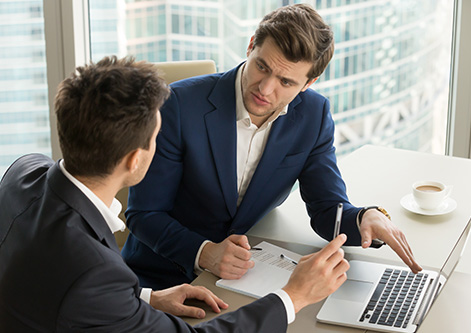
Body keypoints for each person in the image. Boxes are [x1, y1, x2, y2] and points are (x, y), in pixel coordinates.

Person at [0, 56, 350, 332]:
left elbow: (60, 287)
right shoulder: (96, 272)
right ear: (136, 159)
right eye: (155, 137)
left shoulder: (24, 172)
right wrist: (293, 296)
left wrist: (146, 299)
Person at [122, 3, 422, 290]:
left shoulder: (313, 115)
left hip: (247, 274)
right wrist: (204, 253)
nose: (265, 89)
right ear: (251, 45)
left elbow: (327, 209)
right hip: (164, 276)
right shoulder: (177, 105)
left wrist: (366, 218)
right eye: (262, 67)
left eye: (286, 82)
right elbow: (144, 213)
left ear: (309, 82)